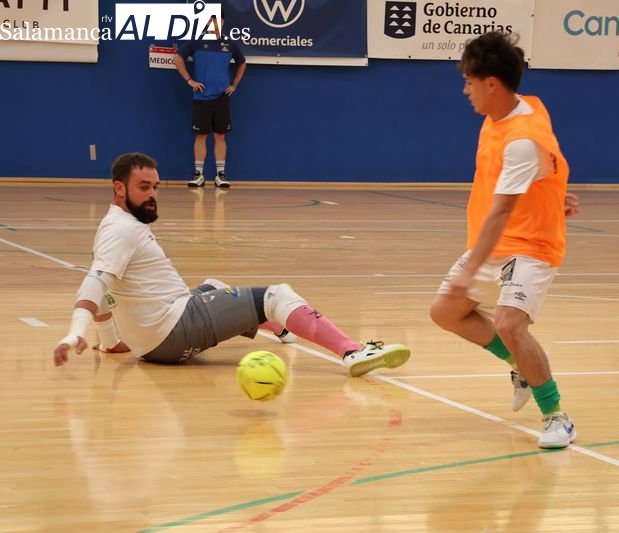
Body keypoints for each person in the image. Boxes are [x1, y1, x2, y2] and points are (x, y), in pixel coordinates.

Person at [53, 152, 411, 379]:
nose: (153, 195)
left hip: (151, 343)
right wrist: (75, 332)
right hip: (174, 331)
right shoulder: (122, 230)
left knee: (213, 284)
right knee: (276, 295)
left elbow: (106, 289)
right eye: (144, 187)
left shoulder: (111, 224)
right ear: (119, 188)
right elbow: (95, 285)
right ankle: (353, 352)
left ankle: (283, 328)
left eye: (156, 187)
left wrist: (111, 341)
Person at [429, 31, 578, 449]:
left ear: (491, 83)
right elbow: (548, 163)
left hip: (531, 244)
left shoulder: (521, 140)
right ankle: (521, 365)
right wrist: (553, 191)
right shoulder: (513, 112)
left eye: (469, 81)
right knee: (445, 312)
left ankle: (556, 416)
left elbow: (501, 210)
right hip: (497, 240)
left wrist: (471, 270)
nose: (465, 90)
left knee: (510, 323)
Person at [173, 8, 246, 189]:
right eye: (212, 21)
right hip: (202, 97)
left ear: (223, 23)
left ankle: (220, 175)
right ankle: (198, 175)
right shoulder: (196, 42)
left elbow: (242, 63)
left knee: (220, 136)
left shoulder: (229, 44)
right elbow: (177, 58)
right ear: (207, 23)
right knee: (201, 136)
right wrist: (189, 80)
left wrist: (234, 84)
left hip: (222, 97)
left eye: (219, 21)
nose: (216, 24)